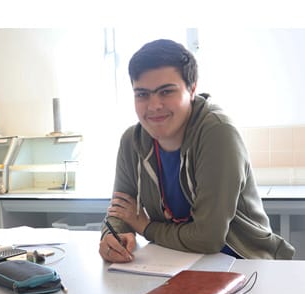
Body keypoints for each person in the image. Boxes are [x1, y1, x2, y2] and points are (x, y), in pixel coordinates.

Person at [99, 39, 294, 262]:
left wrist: (146, 227)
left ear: (192, 89)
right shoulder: (131, 142)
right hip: (171, 261)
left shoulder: (218, 133)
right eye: (142, 94)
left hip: (240, 262)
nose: (153, 106)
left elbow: (208, 238)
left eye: (166, 92)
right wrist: (112, 236)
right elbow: (121, 210)